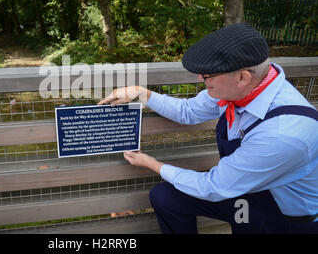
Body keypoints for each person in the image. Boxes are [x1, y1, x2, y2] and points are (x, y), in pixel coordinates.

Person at [97, 23, 318, 234]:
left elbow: (213, 186)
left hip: (282, 218)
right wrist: (142, 93)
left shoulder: (283, 134)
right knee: (166, 197)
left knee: (246, 218)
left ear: (242, 76)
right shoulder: (245, 88)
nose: (200, 78)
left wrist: (153, 164)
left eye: (208, 74)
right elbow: (188, 111)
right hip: (245, 192)